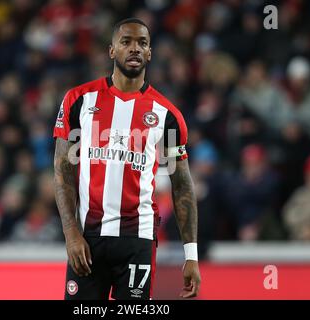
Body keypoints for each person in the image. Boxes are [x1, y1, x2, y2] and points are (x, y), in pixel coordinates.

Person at [53, 18, 200, 300]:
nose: (134, 48)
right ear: (111, 51)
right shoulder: (79, 101)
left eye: (142, 43)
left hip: (138, 240)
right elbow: (63, 169)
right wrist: (71, 233)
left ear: (149, 53)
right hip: (88, 239)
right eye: (126, 42)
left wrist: (190, 255)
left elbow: (181, 185)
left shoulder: (166, 116)